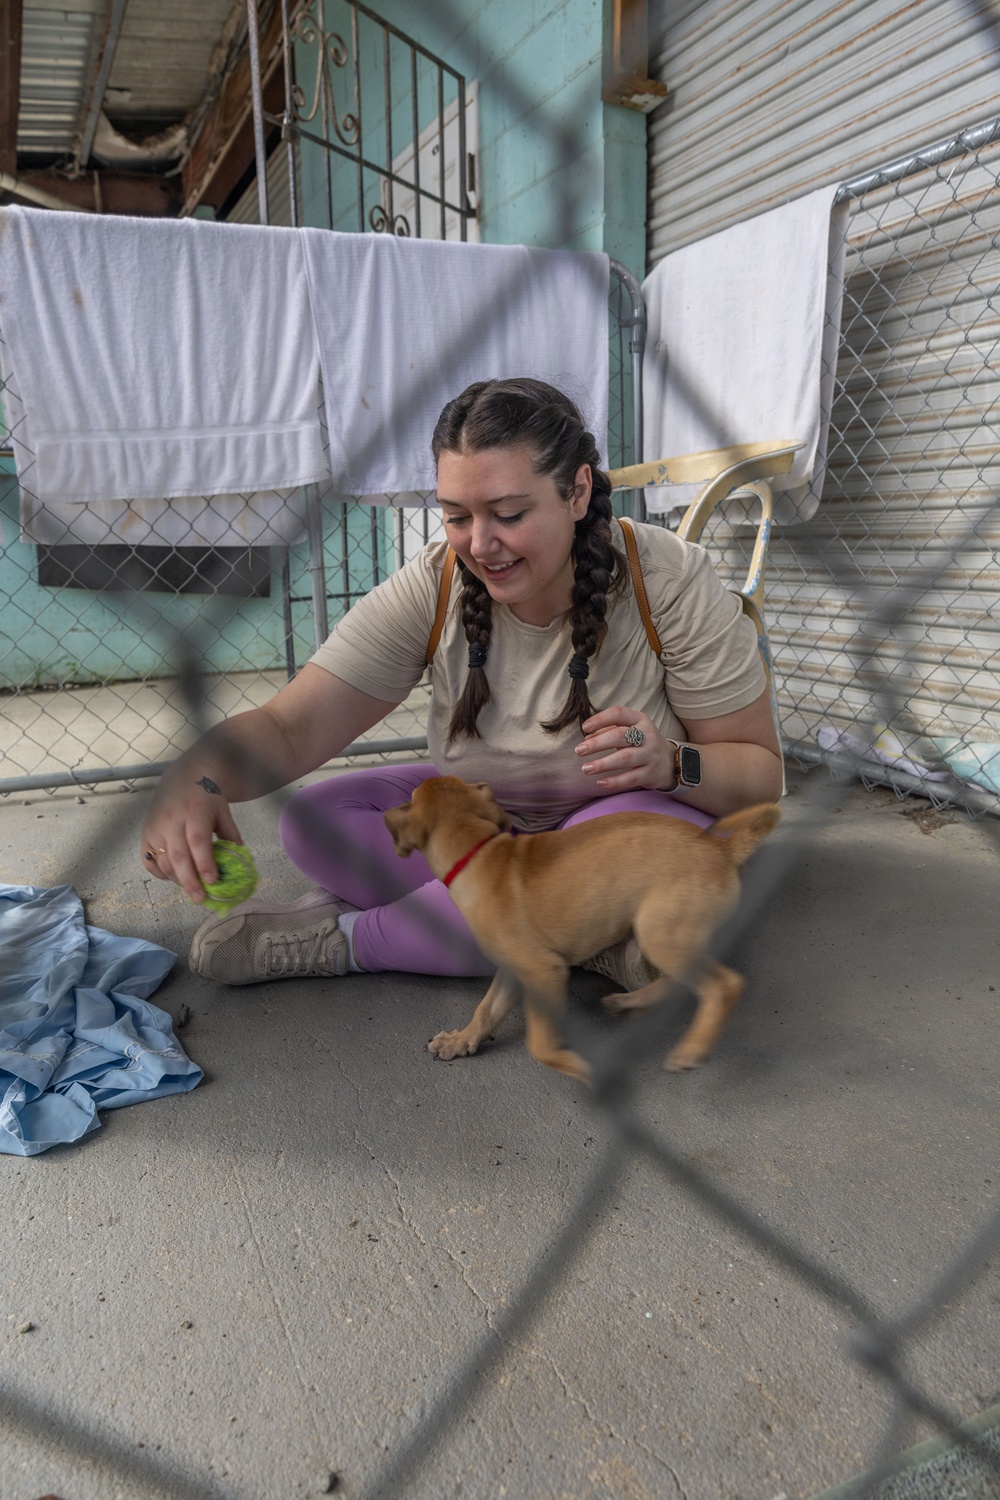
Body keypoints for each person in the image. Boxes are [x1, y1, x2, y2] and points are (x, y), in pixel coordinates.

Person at [141, 378, 782, 988]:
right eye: (455, 516)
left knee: (624, 850)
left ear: (578, 490)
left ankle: (344, 939)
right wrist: (197, 777)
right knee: (313, 821)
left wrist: (673, 764)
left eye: (508, 513)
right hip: (492, 824)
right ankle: (591, 936)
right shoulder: (437, 581)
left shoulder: (667, 582)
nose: (481, 545)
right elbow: (291, 725)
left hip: (617, 821)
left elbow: (760, 775)